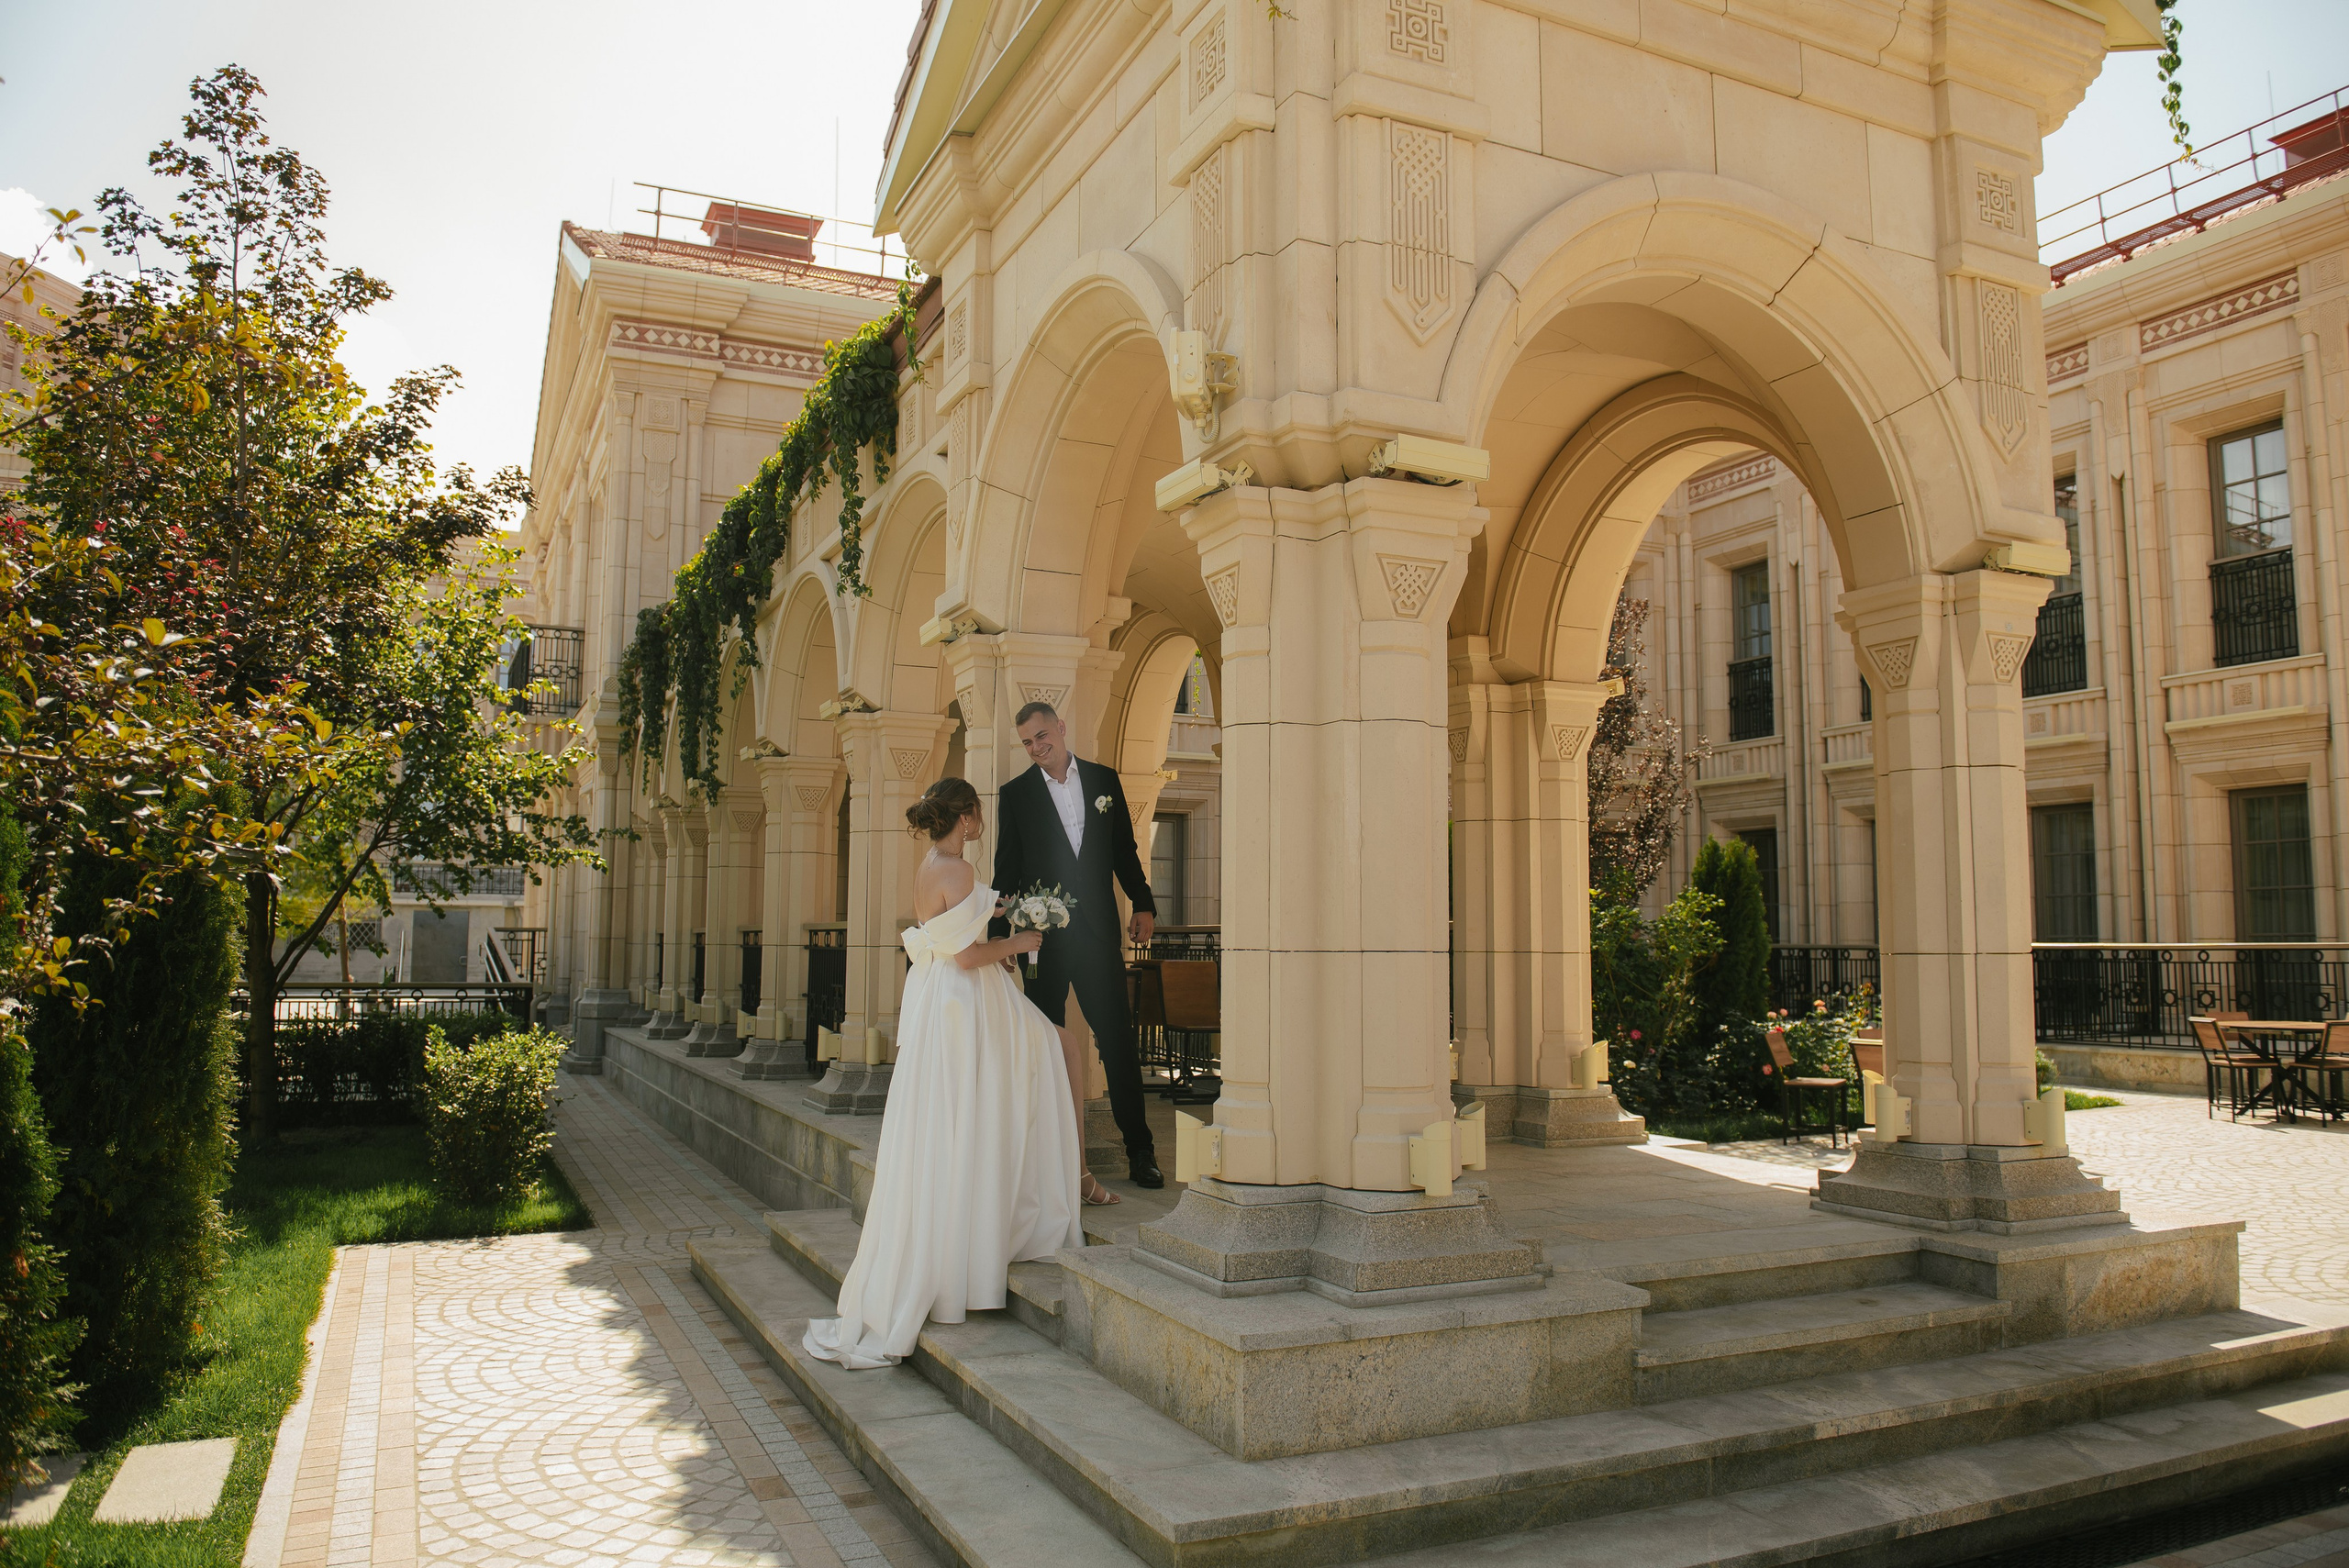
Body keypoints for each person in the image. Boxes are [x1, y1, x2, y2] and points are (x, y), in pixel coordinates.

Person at [802, 777, 1085, 1371]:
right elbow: (965, 954)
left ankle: (1008, 1211)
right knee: (1025, 1069)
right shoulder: (953, 869)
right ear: (965, 816)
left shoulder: (942, 860)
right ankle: (1042, 1197)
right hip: (961, 997)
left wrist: (1001, 910)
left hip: (945, 996)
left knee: (978, 1104)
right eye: (978, 811)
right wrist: (1021, 938)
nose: (982, 818)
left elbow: (960, 926)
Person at [989, 700, 1163, 1199]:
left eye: (1042, 736)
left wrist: (1143, 904)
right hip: (1040, 941)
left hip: (1097, 936)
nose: (1037, 748)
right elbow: (1006, 871)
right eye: (1027, 742)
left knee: (1118, 1042)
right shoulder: (1016, 794)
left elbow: (1124, 850)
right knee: (1041, 1043)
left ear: (1061, 728)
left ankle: (1140, 1152)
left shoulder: (1105, 780)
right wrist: (1000, 937)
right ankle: (1044, 1155)